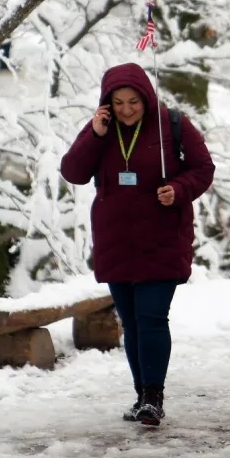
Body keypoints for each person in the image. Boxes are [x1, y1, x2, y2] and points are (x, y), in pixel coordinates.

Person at [60, 62, 215, 426]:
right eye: (118, 103)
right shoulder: (102, 129)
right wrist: (94, 134)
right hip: (116, 241)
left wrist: (178, 189)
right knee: (131, 323)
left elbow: (203, 169)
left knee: (152, 317)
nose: (126, 109)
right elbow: (73, 172)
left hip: (162, 238)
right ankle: (141, 395)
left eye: (133, 101)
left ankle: (153, 398)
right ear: (107, 103)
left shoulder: (173, 125)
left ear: (146, 97)